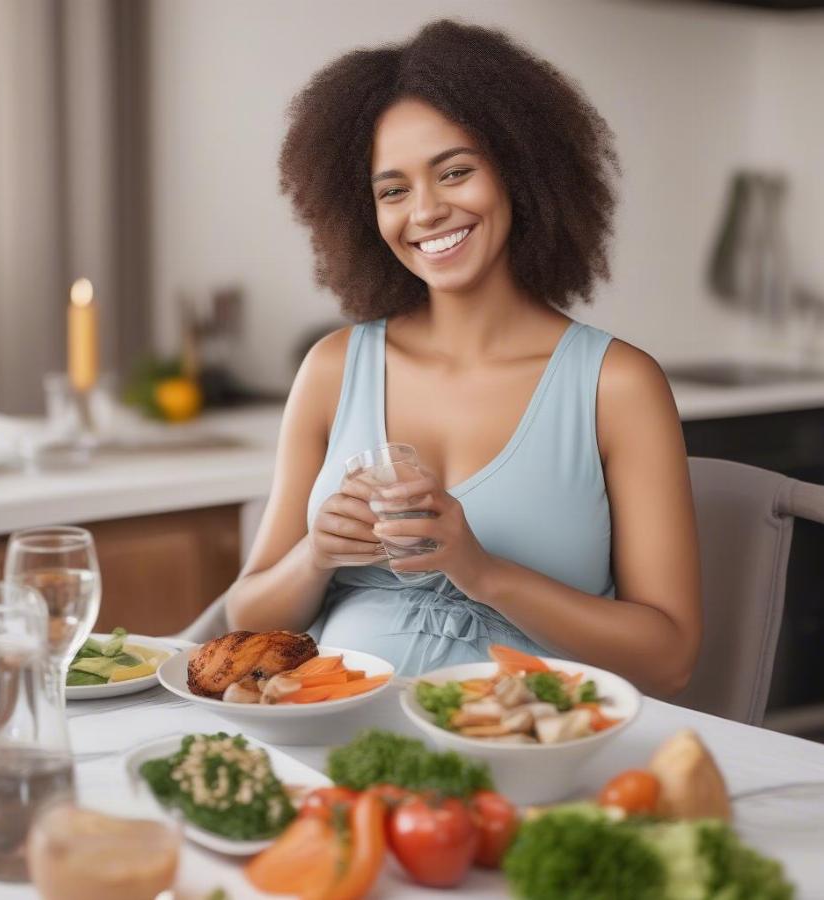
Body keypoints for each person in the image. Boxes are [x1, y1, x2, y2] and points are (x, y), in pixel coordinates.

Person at [188, 19, 701, 696]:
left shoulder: (617, 385)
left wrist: (481, 570)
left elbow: (670, 657)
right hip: (330, 738)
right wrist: (316, 555)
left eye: (455, 172)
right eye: (393, 190)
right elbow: (247, 614)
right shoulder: (333, 369)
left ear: (519, 171)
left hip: (524, 751)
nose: (426, 211)